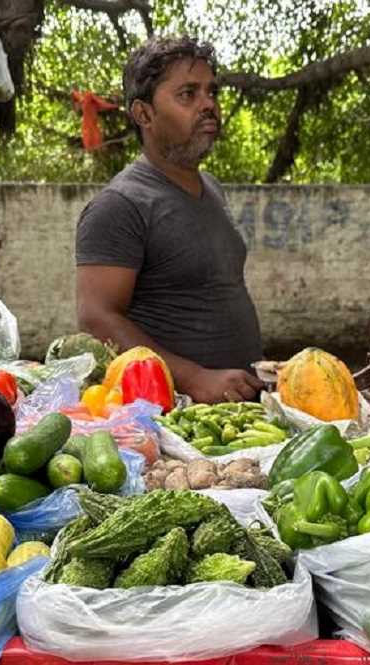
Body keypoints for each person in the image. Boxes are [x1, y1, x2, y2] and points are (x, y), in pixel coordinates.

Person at [75, 36, 265, 405]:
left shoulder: (210, 188)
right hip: (171, 413)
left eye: (211, 92)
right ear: (143, 114)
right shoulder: (120, 205)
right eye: (188, 94)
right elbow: (97, 319)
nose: (208, 105)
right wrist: (193, 378)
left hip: (235, 403)